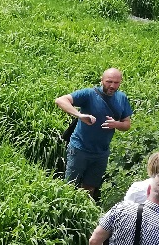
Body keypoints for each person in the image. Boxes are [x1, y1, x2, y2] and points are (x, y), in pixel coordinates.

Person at [56, 68, 133, 201]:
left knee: (90, 187)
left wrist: (116, 124)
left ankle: (83, 212)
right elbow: (60, 100)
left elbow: (126, 124)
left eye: (116, 82)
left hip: (101, 153)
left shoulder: (122, 98)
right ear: (101, 80)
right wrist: (80, 115)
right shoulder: (89, 94)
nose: (112, 86)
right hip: (79, 148)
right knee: (70, 185)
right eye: (109, 82)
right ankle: (66, 210)